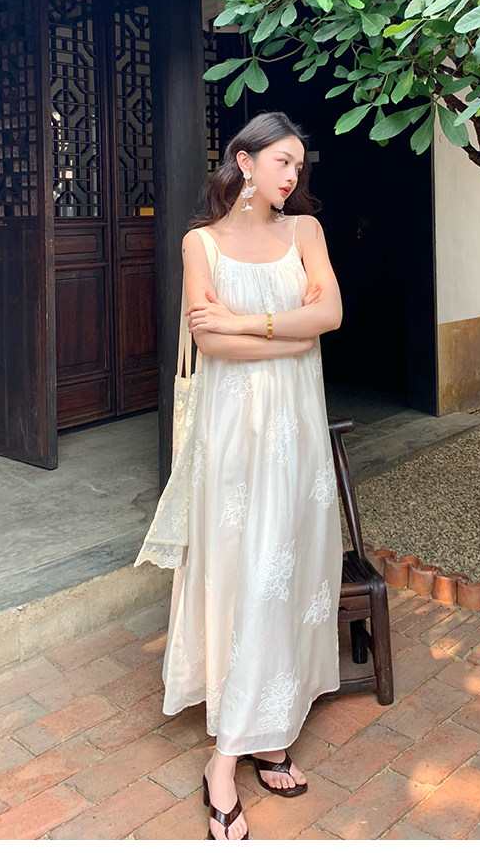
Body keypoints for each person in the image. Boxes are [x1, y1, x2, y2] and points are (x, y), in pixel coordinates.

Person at [135, 111, 343, 840]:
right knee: (246, 573)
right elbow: (211, 345)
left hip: (297, 434)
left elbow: (331, 314)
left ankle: (266, 727)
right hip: (232, 437)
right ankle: (229, 756)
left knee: (284, 571)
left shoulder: (305, 232)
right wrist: (289, 331)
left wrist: (247, 324)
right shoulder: (201, 243)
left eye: (299, 166)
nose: (292, 175)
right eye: (282, 161)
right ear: (245, 161)